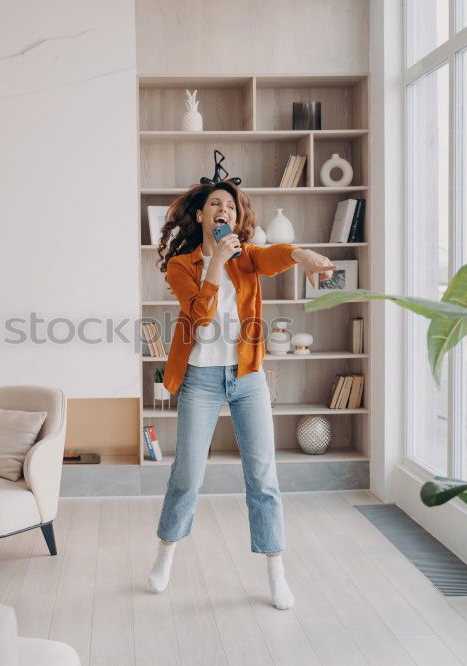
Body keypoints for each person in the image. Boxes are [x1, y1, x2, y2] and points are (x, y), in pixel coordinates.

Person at [146, 180, 336, 610]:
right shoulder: (181, 265)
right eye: (214, 204)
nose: (223, 210)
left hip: (247, 377)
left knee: (263, 477)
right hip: (200, 378)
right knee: (188, 475)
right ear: (200, 215)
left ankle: (275, 573)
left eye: (230, 206)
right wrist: (215, 260)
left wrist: (303, 255)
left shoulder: (247, 257)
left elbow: (276, 256)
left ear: (237, 216)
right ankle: (165, 555)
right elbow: (200, 314)